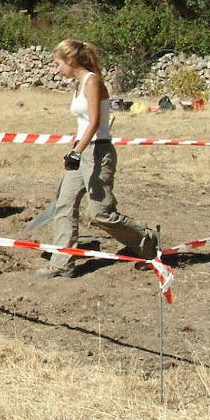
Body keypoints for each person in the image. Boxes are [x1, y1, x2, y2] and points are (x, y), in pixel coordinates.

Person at [38, 39, 157, 278]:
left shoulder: (92, 82)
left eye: (58, 64)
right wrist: (76, 148)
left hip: (97, 152)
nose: (56, 70)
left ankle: (147, 241)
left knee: (100, 213)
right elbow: (83, 124)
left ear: (71, 61)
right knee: (65, 204)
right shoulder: (78, 84)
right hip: (82, 150)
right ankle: (62, 263)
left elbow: (93, 122)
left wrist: (76, 151)